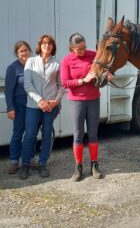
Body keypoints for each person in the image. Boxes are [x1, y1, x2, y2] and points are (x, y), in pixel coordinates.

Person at [60, 33, 108, 181]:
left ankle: (94, 165)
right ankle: (78, 167)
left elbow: (102, 70)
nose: (82, 51)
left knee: (93, 134)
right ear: (71, 48)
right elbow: (65, 83)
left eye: (84, 47)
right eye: (79, 49)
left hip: (93, 99)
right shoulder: (66, 60)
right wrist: (82, 80)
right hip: (77, 101)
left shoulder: (93, 55)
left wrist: (106, 75)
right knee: (78, 135)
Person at [18, 35, 64, 179]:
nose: (47, 46)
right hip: (33, 105)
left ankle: (43, 164)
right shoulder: (31, 62)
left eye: (50, 44)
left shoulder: (57, 64)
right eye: (44, 43)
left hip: (51, 106)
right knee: (30, 135)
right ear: (40, 45)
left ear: (53, 47)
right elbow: (27, 84)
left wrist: (56, 101)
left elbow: (61, 85)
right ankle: (25, 165)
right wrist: (39, 101)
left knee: (47, 135)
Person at [4, 41, 35, 174]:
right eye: (21, 51)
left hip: (33, 105)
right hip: (19, 106)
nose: (24, 53)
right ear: (17, 53)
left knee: (31, 133)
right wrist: (10, 108)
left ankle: (29, 158)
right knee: (18, 133)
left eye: (26, 50)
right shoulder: (13, 68)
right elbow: (8, 90)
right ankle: (14, 161)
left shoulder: (34, 65)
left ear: (30, 51)